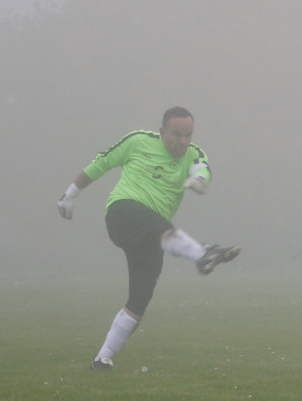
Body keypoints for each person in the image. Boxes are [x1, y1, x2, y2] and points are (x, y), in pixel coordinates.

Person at [57, 106, 239, 371]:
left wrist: (200, 180)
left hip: (157, 234)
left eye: (188, 135)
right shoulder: (137, 141)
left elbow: (203, 168)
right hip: (123, 213)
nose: (183, 142)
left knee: (140, 298)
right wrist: (69, 195)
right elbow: (101, 163)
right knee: (157, 224)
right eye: (177, 135)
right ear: (162, 131)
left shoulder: (193, 154)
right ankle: (202, 254)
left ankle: (103, 358)